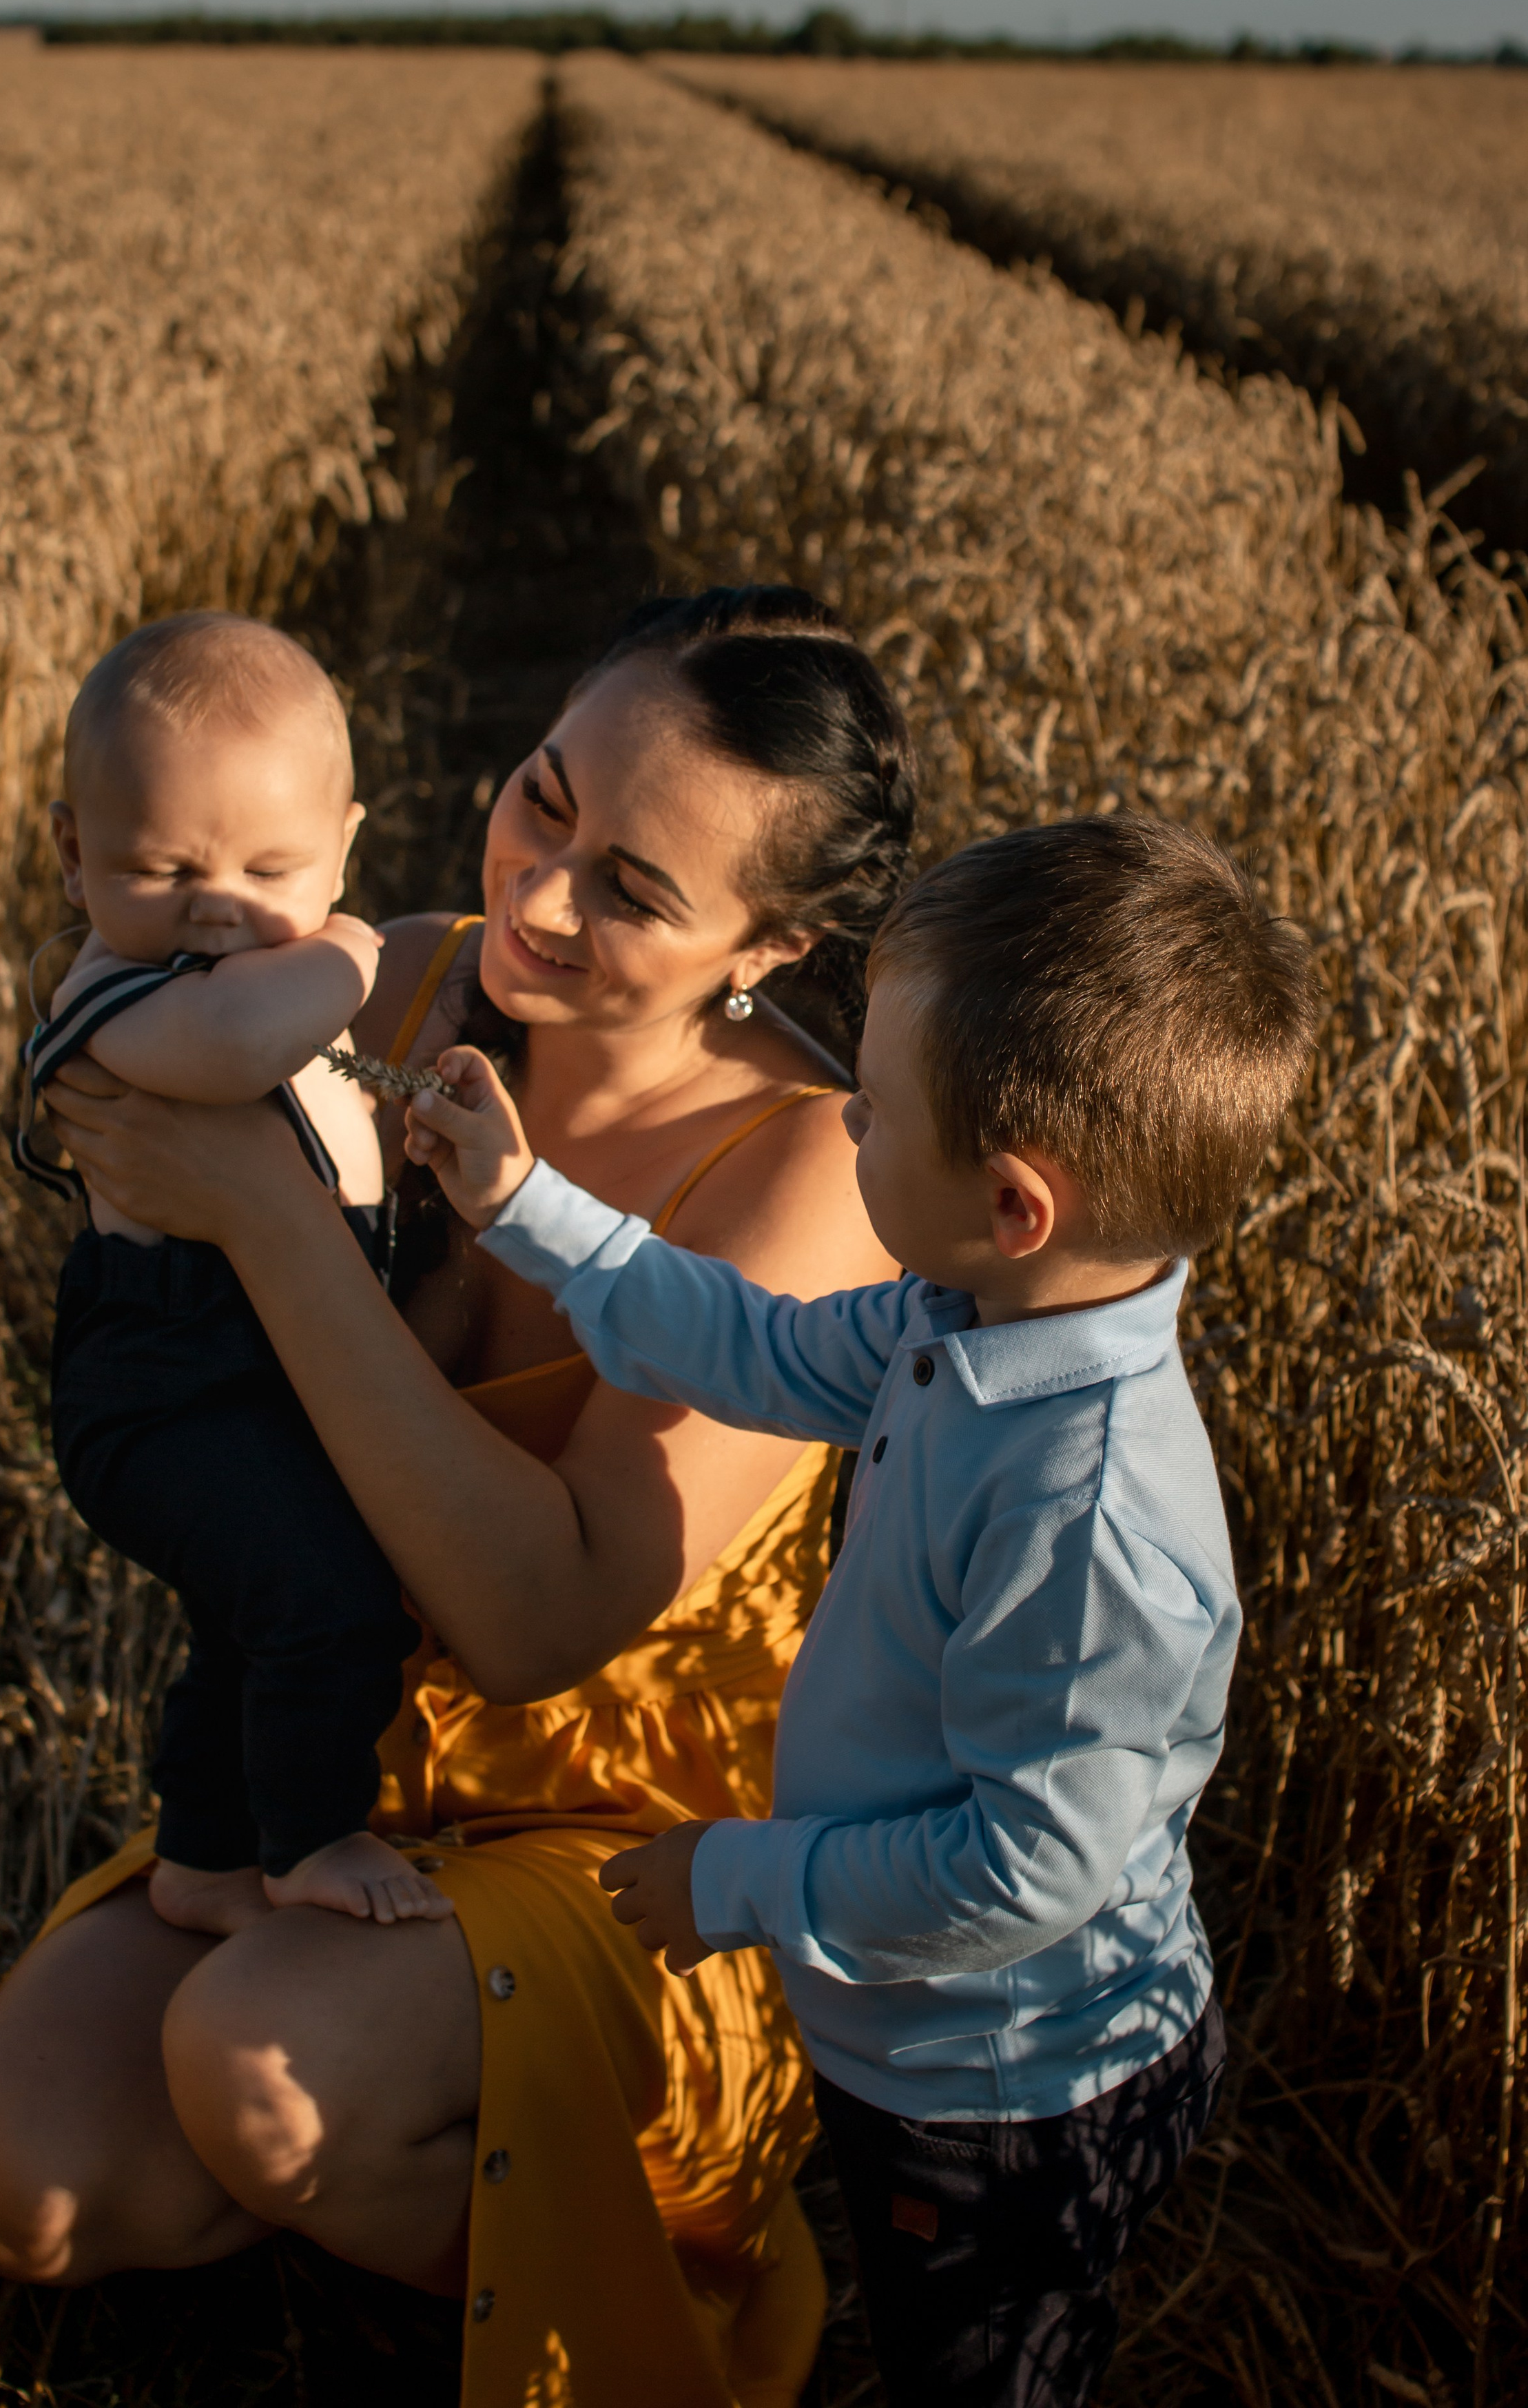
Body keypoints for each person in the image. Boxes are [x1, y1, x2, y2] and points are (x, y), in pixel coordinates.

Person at [0, 588, 916, 2408]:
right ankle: (357, 2158)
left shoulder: (807, 1177)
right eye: (543, 799)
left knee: (257, 2066)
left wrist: (262, 1211)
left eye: (633, 890)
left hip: (635, 1876)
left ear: (772, 944)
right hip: (317, 1774)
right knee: (23, 2180)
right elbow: (100, 1086)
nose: (538, 897)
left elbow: (539, 1618)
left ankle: (603, 2300)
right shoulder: (390, 979)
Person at [404, 813, 1321, 2408]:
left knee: (973, 2367)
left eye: (874, 1115)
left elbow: (1026, 1866)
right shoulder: (963, 1315)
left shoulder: (1086, 1514)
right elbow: (753, 1349)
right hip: (922, 2029)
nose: (843, 1134)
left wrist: (741, 1877)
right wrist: (525, 1204)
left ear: (1015, 1200)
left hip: (1006, 2091)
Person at [23, 610, 442, 1935]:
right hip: (166, 1377)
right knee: (328, 1602)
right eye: (163, 865)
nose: (218, 902)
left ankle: (205, 1855)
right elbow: (231, 1051)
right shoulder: (118, 989)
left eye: (274, 864)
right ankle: (310, 1837)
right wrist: (347, 951)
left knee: (245, 1624)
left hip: (259, 1366)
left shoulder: (255, 973)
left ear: (347, 847)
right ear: (73, 857)